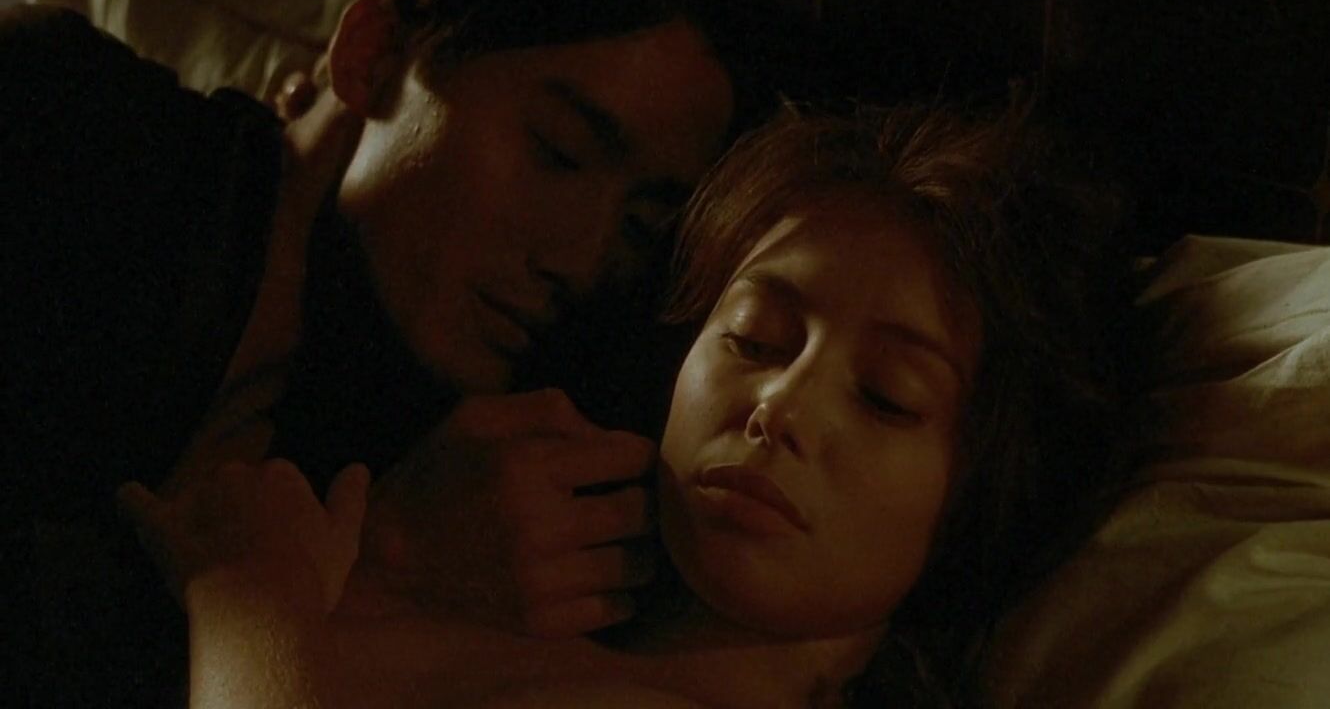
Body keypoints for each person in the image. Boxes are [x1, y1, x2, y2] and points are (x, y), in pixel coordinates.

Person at [120, 99, 1142, 708]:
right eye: (754, 337)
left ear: (978, 493)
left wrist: (251, 602)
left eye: (885, 397)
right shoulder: (500, 597)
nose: (777, 407)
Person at [1, 0, 796, 703]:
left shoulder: (476, 444)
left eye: (638, 226)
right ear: (373, 52)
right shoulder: (64, 121)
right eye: (557, 152)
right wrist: (374, 573)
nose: (582, 260)